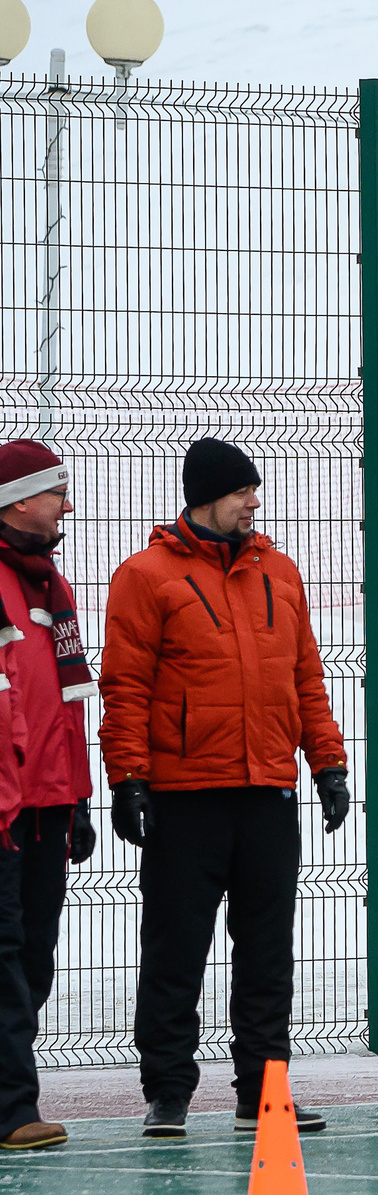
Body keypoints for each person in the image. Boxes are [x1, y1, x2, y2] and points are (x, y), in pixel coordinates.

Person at [102, 437, 351, 1140]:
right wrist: (128, 779)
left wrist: (327, 764)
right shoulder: (145, 576)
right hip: (186, 795)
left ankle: (264, 1094)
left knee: (267, 953)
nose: (253, 503)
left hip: (268, 790)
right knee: (175, 951)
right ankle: (168, 1093)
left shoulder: (280, 572)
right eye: (243, 491)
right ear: (208, 496)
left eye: (254, 491)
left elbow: (305, 679)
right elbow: (125, 686)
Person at [0, 442, 99, 1153]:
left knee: (34, 955)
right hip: (5, 810)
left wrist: (78, 799)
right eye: (55, 492)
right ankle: (13, 1108)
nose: (66, 504)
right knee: (5, 953)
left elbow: (67, 705)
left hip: (47, 805)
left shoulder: (50, 585)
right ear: (18, 502)